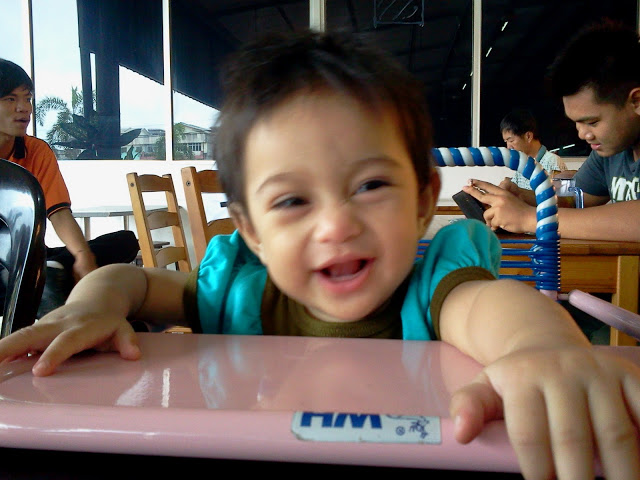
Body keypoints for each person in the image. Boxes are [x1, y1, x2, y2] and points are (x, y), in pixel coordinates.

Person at [0, 30, 639, 480]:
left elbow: (494, 305)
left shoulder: (431, 289)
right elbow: (129, 281)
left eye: (370, 185)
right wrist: (86, 308)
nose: (336, 224)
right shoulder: (241, 292)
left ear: (423, 202)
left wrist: (542, 350)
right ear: (251, 231)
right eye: (292, 201)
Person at [462, 20, 640, 242]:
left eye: (592, 122)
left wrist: (529, 218)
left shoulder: (612, 144)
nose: (582, 134)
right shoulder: (611, 151)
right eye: (576, 123)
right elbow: (578, 200)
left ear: (636, 101)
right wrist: (524, 198)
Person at [0, 58, 140, 316]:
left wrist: (82, 255)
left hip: (32, 258)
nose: (24, 108)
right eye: (10, 99)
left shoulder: (36, 151)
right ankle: (44, 281)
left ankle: (48, 277)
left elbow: (59, 213)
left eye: (28, 99)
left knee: (126, 242)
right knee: (47, 273)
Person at [498, 108, 567, 192]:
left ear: (528, 136)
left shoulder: (553, 162)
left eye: (511, 140)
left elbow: (561, 198)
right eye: (506, 142)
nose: (508, 147)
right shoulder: (522, 163)